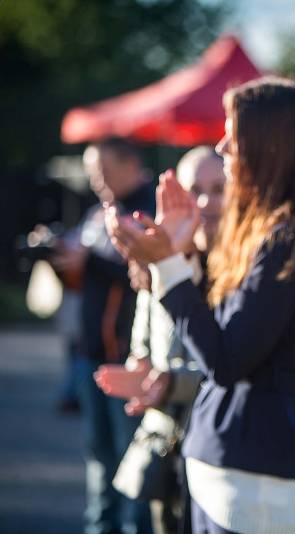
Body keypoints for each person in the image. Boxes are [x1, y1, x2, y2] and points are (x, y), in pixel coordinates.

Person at [105, 75, 295, 534]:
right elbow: (221, 336)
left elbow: (224, 359)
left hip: (253, 475)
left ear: (269, 147)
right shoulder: (283, 232)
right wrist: (181, 260)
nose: (222, 148)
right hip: (237, 467)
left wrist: (170, 266)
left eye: (233, 137)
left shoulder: (291, 239)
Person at [96, 146, 225, 534]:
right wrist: (142, 375)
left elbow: (241, 365)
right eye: (193, 190)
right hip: (165, 449)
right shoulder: (155, 266)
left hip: (220, 456)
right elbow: (144, 348)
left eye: (218, 189)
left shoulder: (244, 273)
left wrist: (172, 382)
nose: (205, 202)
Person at [50, 137, 154, 534]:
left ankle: (134, 527)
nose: (96, 180)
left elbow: (145, 274)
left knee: (133, 457)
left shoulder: (151, 207)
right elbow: (84, 271)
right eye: (93, 172)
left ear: (130, 164)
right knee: (99, 453)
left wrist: (89, 260)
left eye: (103, 170)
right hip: (91, 351)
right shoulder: (100, 213)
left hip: (130, 356)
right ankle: (103, 526)